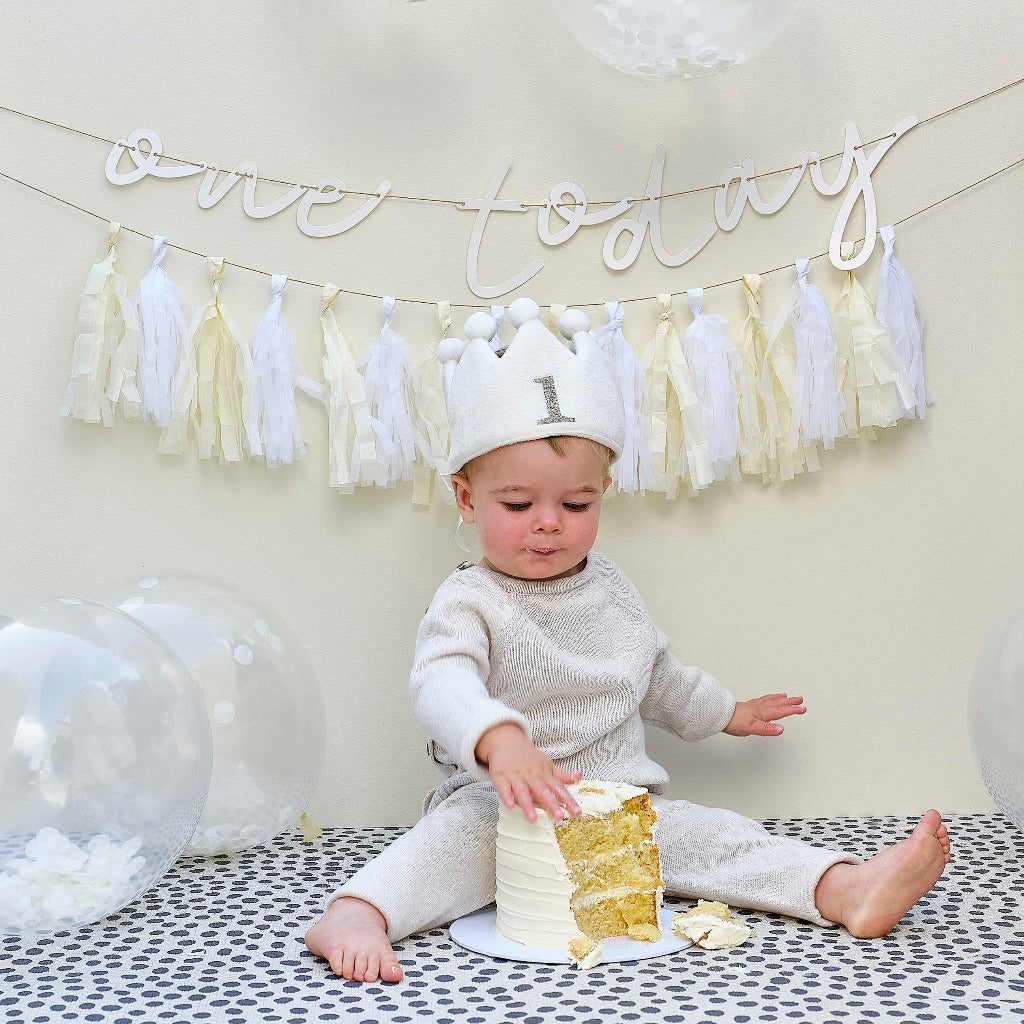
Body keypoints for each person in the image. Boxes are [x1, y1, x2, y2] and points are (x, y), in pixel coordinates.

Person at [305, 300, 950, 984]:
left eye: (576, 505)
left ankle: (844, 889)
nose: (548, 525)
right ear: (466, 498)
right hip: (505, 812)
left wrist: (726, 711)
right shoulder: (469, 601)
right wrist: (501, 741)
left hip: (620, 810)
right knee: (442, 848)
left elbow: (655, 673)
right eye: (518, 506)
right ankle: (357, 912)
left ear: (603, 491)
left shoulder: (610, 587)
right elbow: (441, 684)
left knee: (718, 837)